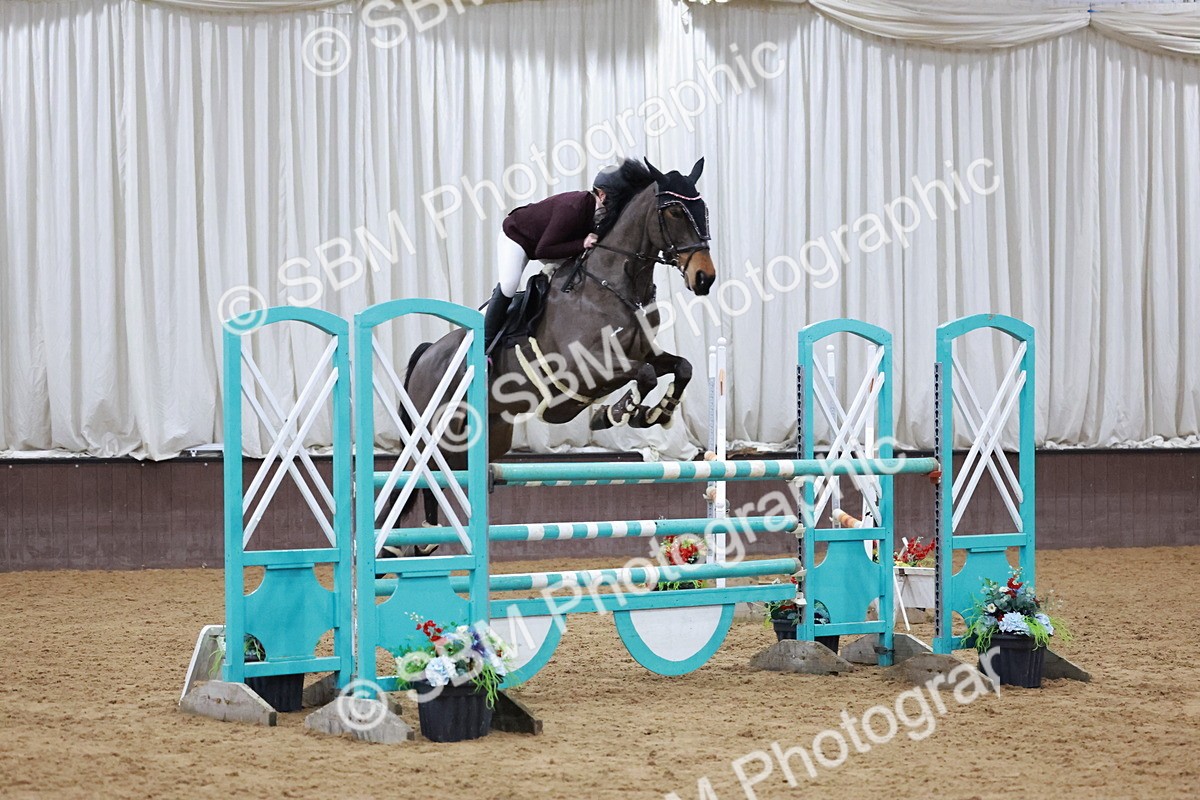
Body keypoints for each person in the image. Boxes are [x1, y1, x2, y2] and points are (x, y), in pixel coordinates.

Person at [483, 162, 635, 351]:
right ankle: (485, 344)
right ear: (602, 195)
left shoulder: (599, 212)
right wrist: (582, 243)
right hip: (518, 236)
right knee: (509, 284)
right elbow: (542, 250)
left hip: (549, 243)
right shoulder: (573, 207)